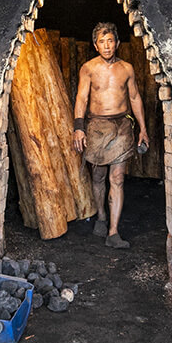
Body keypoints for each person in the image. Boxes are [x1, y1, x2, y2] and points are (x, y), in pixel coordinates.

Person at [72, 22, 148, 249]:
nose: (107, 46)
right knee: (98, 177)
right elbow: (82, 98)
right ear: (96, 45)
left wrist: (142, 128)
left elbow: (135, 98)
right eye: (102, 42)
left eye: (110, 41)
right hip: (96, 127)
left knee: (117, 179)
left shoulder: (127, 68)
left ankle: (113, 232)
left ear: (117, 43)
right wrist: (78, 127)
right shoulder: (88, 68)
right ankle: (102, 217)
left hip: (122, 126)